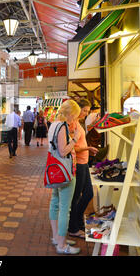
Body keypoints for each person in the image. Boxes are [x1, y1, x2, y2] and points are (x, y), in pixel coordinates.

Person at [48, 99, 82, 255]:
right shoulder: (62, 126)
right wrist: (75, 138)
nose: (75, 120)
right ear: (69, 114)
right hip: (65, 171)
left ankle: (57, 237)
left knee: (55, 203)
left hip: (56, 172)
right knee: (64, 209)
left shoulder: (54, 124)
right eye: (75, 116)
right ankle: (61, 245)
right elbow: (63, 151)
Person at [68, 99, 98, 239]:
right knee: (77, 197)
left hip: (84, 162)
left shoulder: (78, 123)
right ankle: (73, 227)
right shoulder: (73, 124)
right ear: (77, 109)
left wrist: (88, 150)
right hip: (79, 163)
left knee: (88, 194)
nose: (86, 113)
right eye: (84, 110)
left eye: (87, 111)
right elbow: (72, 148)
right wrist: (87, 148)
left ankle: (78, 221)